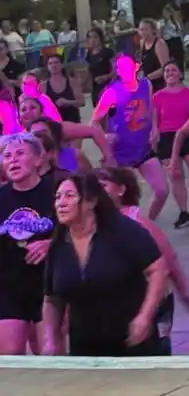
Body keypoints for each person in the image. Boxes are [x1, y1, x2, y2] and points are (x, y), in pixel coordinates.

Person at [41, 172, 167, 356]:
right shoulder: (59, 243)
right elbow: (52, 299)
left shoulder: (123, 231)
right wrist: (51, 339)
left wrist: (145, 316)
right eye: (58, 197)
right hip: (85, 347)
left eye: (69, 196)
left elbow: (158, 269)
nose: (61, 203)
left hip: (133, 342)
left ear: (91, 202)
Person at [97, 165, 189, 353]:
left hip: (151, 301)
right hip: (115, 303)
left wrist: (185, 295)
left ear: (121, 190)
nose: (99, 190)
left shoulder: (138, 223)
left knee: (156, 352)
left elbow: (169, 258)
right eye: (96, 186)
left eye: (104, 185)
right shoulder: (94, 224)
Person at [91, 55, 169, 221]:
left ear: (136, 66)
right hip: (120, 153)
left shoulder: (146, 84)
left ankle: (146, 224)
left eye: (127, 66)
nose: (123, 70)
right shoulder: (112, 91)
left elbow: (151, 106)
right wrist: (105, 140)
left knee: (162, 190)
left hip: (143, 148)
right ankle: (123, 229)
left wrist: (155, 128)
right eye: (119, 67)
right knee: (126, 199)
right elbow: (94, 122)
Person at [0, 132, 55, 355]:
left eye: (20, 153)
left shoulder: (57, 191)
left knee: (49, 357)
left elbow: (84, 231)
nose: (12, 159)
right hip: (9, 285)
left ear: (38, 159)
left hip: (49, 285)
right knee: (10, 357)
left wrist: (52, 244)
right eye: (7, 155)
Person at [152, 60, 189, 228]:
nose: (170, 73)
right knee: (175, 175)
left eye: (173, 70)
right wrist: (154, 139)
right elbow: (154, 121)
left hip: (187, 134)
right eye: (167, 71)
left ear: (180, 74)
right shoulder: (157, 97)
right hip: (166, 137)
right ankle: (183, 211)